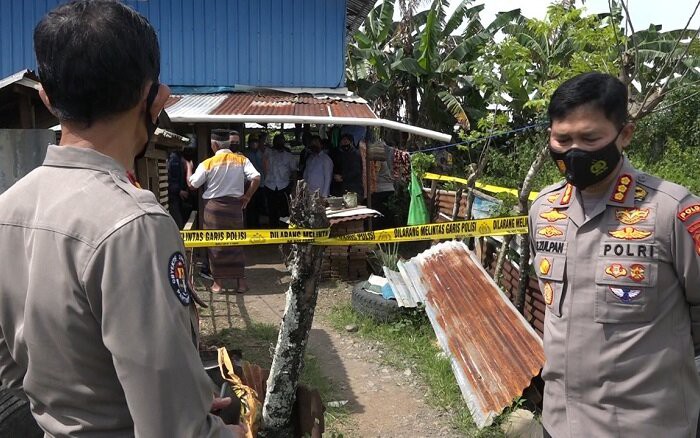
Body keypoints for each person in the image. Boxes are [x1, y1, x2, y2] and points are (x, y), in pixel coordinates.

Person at [0, 1, 244, 436]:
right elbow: (175, 430)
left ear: (47, 98)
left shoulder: (7, 208)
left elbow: (11, 373)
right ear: (154, 97)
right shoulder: (136, 225)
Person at [529, 72, 700, 438]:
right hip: (558, 423)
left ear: (625, 134)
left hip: (645, 428)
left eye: (590, 138)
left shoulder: (673, 211)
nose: (574, 152)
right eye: (563, 139)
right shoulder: (543, 211)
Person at [188, 129, 260, 293]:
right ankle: (241, 284)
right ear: (229, 144)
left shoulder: (207, 163)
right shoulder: (242, 160)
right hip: (235, 208)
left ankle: (218, 284)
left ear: (214, 144)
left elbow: (192, 185)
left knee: (216, 244)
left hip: (214, 209)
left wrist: (188, 168)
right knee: (236, 243)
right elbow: (256, 177)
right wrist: (247, 196)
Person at [262, 134, 297, 227]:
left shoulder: (289, 156)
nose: (278, 143)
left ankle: (284, 230)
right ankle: (273, 231)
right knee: (271, 211)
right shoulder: (268, 153)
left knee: (284, 211)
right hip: (270, 185)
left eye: (281, 141)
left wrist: (294, 187)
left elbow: (294, 171)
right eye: (277, 141)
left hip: (284, 186)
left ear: (284, 142)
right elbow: (261, 147)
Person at [331, 133, 363, 198]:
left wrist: (343, 177)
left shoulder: (355, 154)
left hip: (353, 188)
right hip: (340, 188)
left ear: (351, 142)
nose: (344, 143)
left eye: (346, 141)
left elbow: (356, 171)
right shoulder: (338, 153)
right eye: (343, 141)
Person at [244, 135, 266, 228]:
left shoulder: (262, 153)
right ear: (248, 143)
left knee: (259, 207)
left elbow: (264, 168)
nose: (254, 143)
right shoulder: (245, 154)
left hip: (260, 185)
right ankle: (249, 226)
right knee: (249, 207)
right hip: (249, 185)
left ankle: (257, 226)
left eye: (256, 141)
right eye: (252, 142)